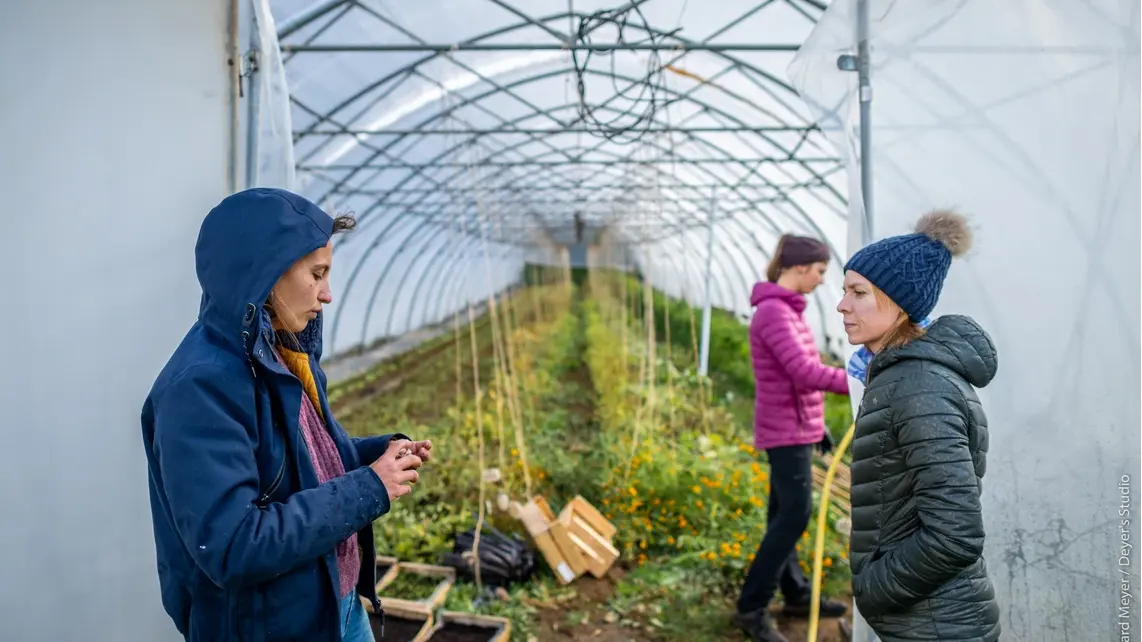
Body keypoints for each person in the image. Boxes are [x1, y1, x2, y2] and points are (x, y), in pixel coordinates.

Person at [141, 188, 432, 642]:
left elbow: (301, 468)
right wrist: (369, 487)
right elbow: (235, 545)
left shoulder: (279, 353)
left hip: (335, 603)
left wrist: (380, 456)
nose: (328, 294)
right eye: (317, 275)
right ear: (267, 272)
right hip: (276, 626)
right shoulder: (200, 389)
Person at [837, 210, 1000, 641]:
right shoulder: (899, 375)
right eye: (843, 291)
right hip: (928, 618)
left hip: (940, 625)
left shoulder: (919, 386)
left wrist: (873, 587)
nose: (842, 305)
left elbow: (955, 534)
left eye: (858, 292)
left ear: (900, 303)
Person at [735, 234, 850, 642]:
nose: (822, 280)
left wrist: (818, 426)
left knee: (781, 515)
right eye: (820, 271)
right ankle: (751, 607)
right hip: (786, 432)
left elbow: (795, 377)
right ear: (800, 267)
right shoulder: (774, 313)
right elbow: (804, 372)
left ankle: (797, 593)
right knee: (794, 516)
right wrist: (856, 379)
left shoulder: (785, 311)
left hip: (796, 427)